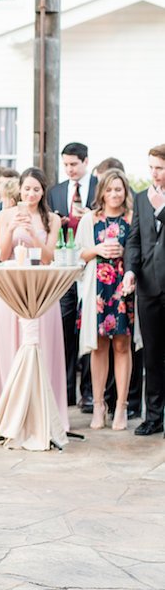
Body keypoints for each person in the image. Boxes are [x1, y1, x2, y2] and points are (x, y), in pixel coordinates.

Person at [0, 167, 69, 431]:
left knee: (43, 346)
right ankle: (13, 413)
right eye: (27, 188)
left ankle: (43, 414)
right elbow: (2, 255)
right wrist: (11, 228)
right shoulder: (4, 215)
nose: (31, 194)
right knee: (12, 348)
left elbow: (49, 257)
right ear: (20, 189)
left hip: (42, 290)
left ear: (43, 191)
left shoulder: (52, 219)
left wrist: (34, 232)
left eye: (36, 189)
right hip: (13, 287)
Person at [76, 169, 135, 430]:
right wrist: (95, 250)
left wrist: (126, 253)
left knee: (122, 346)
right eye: (109, 189)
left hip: (123, 288)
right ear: (102, 192)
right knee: (98, 346)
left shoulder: (132, 218)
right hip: (97, 289)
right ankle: (99, 405)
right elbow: (77, 254)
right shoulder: (90, 219)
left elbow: (141, 251)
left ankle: (121, 406)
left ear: (125, 192)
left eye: (118, 189)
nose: (114, 194)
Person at [48, 142, 98, 409]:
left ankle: (88, 392)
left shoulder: (100, 186)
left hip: (93, 267)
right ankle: (66, 390)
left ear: (86, 161)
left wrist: (89, 216)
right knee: (65, 330)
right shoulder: (55, 192)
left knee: (90, 329)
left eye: (74, 164)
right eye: (66, 165)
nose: (70, 169)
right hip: (65, 268)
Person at [124, 144, 165, 436]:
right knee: (152, 354)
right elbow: (135, 240)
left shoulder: (154, 200)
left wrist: (160, 208)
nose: (154, 173)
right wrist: (130, 271)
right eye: (151, 167)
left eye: (160, 168)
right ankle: (153, 417)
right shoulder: (140, 199)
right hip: (148, 288)